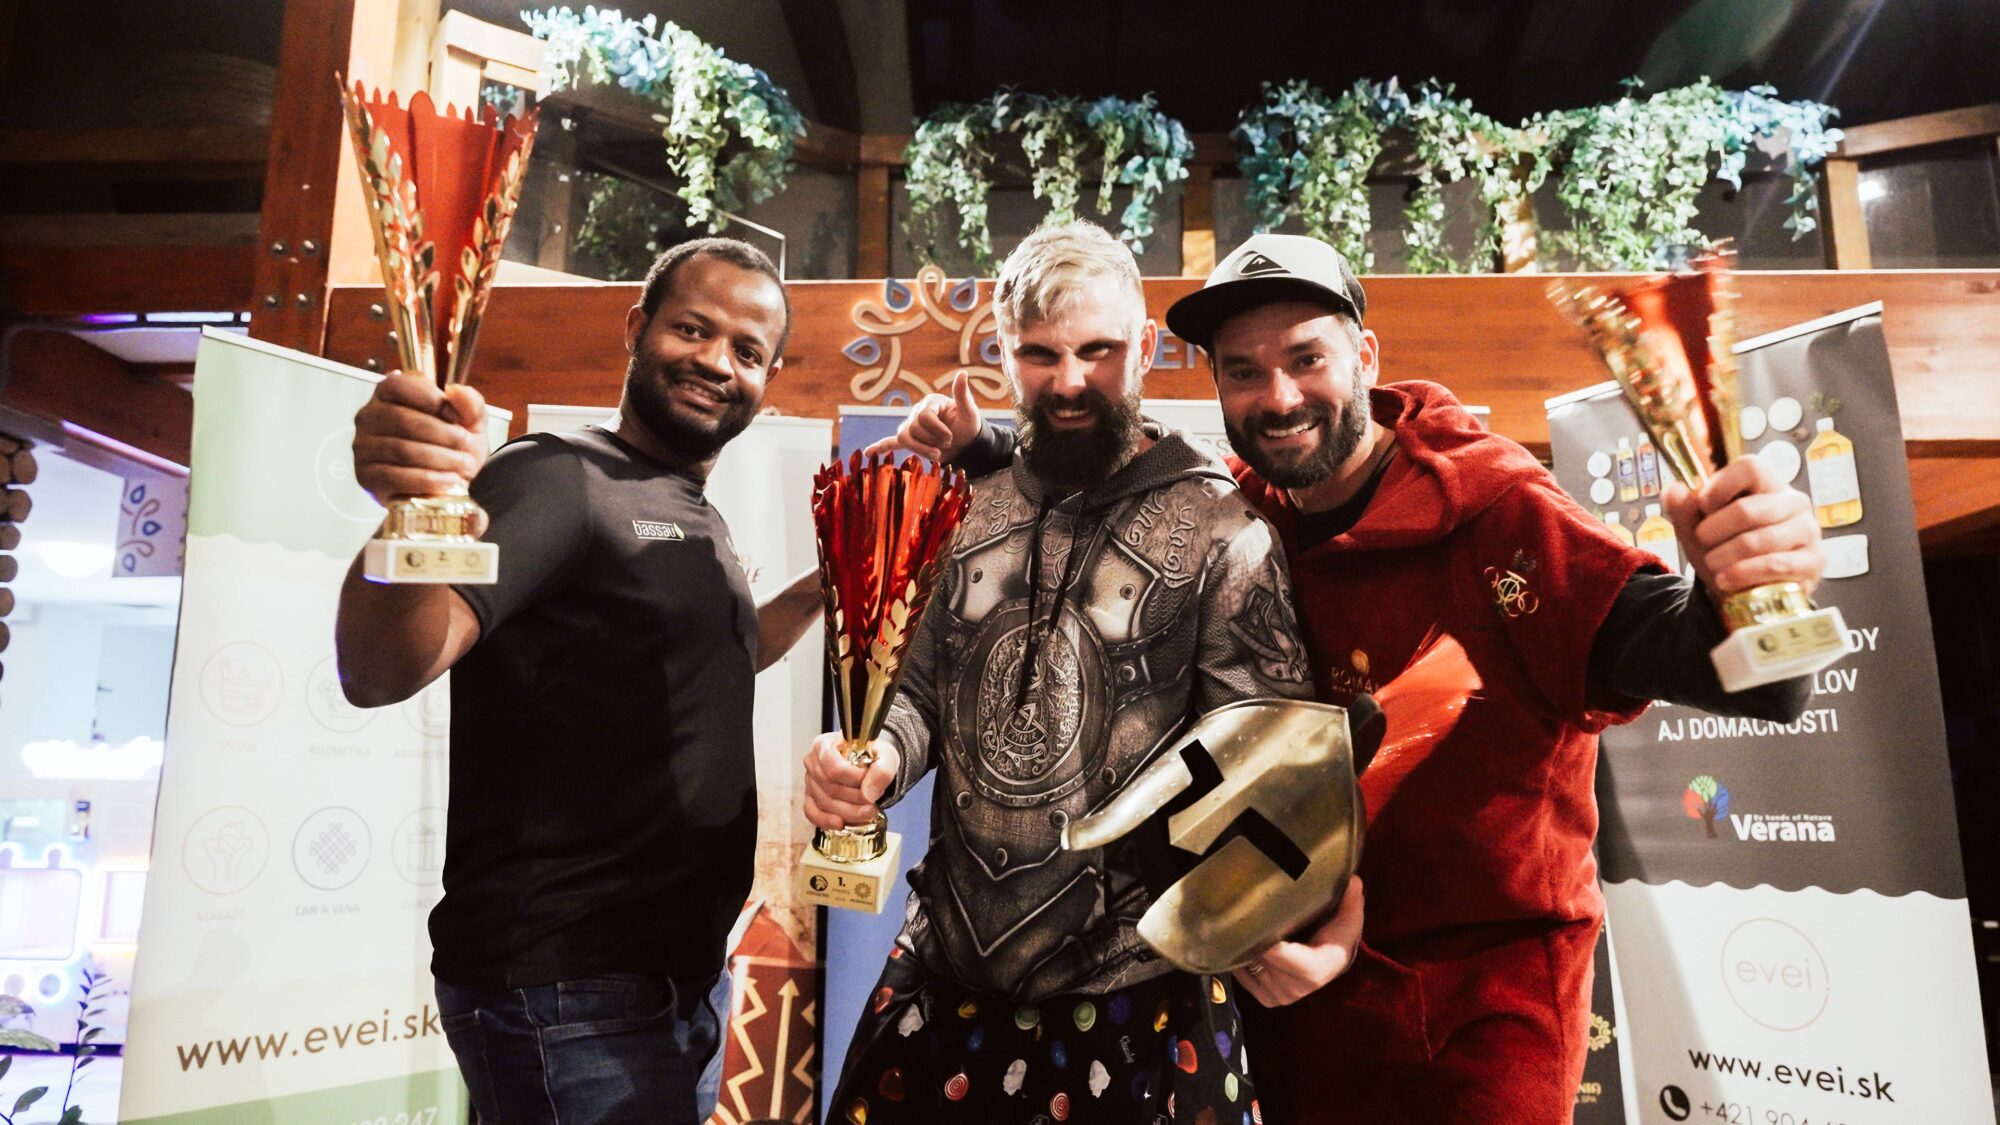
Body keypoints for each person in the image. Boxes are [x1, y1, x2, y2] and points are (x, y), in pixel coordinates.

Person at [883, 232, 1826, 1123]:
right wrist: (984, 453)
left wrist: (1755, 590)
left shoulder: (1502, 512)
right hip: (1288, 996)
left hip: (1477, 1019)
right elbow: (1102, 485)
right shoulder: (1249, 512)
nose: (1279, 398)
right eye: (1244, 372)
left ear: (1365, 356)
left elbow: (1747, 681)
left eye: (1307, 359)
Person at [803, 221, 1362, 1125]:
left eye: (1098, 350)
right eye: (1041, 353)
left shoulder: (1224, 531)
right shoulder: (962, 507)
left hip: (1146, 1004)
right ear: (1002, 352)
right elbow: (919, 694)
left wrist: (1281, 920)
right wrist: (872, 762)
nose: (1070, 380)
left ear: (1145, 346)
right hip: (943, 981)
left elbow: (1274, 776)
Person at [334, 237, 822, 1125]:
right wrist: (406, 515)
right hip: (568, 989)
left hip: (674, 983)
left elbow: (717, 658)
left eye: (747, 351)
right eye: (693, 329)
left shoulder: (691, 510)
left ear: (769, 377)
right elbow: (385, 666)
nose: (718, 362)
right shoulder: (558, 477)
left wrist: (835, 581)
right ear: (636, 328)